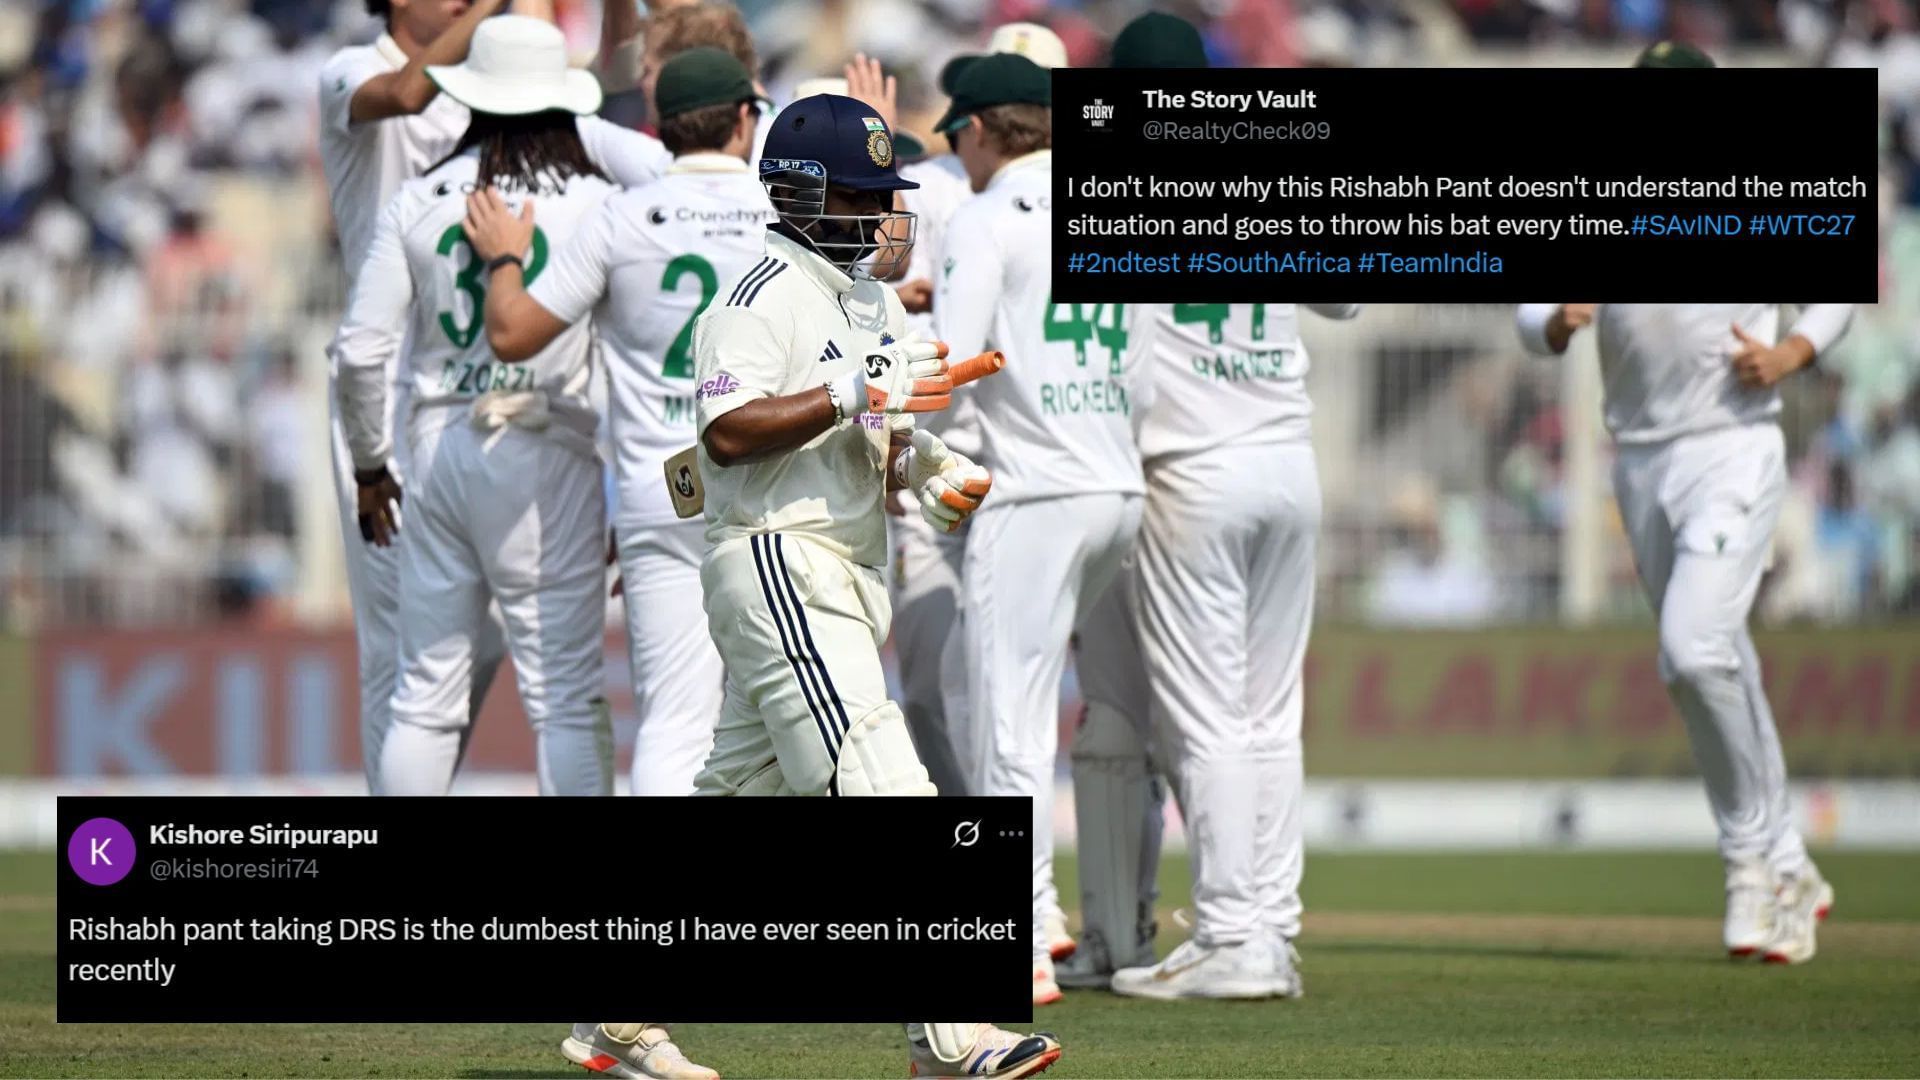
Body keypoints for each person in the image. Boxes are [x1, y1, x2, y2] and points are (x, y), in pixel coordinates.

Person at [688, 90, 1060, 1079]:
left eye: (879, 194)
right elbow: (724, 437)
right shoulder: (758, 295)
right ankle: (952, 1033)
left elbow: (878, 434)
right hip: (776, 555)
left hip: (843, 563)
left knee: (736, 797)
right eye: (858, 196)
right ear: (801, 196)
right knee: (882, 782)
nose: (878, 213)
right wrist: (861, 390)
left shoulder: (871, 298)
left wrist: (930, 471)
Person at [1519, 46, 1850, 962]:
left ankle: (1751, 863)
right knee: (1715, 655)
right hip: (1641, 459)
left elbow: (1833, 294)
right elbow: (1531, 312)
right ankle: (1786, 861)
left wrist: (1791, 354)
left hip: (1734, 447)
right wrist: (1556, 319)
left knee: (1691, 650)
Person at [318, 0, 670, 793]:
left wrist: (373, 466)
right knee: (566, 699)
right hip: (548, 447)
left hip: (434, 441)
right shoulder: (599, 205)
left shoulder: (419, 198)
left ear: (470, 92)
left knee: (422, 697)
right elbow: (671, 190)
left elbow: (361, 351)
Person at [474, 46, 773, 796]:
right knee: (786, 717)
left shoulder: (623, 217)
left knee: (674, 724)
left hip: (660, 492)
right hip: (771, 490)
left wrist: (505, 258)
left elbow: (512, 335)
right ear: (745, 119)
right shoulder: (782, 212)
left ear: (659, 128)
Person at [932, 54, 1145, 1005]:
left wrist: (923, 452)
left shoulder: (983, 219)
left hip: (1033, 493)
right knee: (1015, 704)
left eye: (958, 140)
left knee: (1003, 716)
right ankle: (1048, 913)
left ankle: (1020, 929)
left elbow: (949, 366)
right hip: (1118, 489)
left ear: (980, 130)